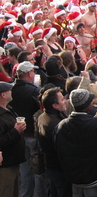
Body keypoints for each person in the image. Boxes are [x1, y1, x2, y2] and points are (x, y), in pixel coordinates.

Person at [9, 61, 45, 197]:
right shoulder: (33, 91)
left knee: (24, 172)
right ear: (30, 73)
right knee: (38, 171)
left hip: (18, 136)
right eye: (33, 72)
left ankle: (25, 194)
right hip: (33, 135)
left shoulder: (11, 89)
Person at [36, 87, 70, 197]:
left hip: (51, 165)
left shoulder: (43, 116)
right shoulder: (55, 124)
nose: (64, 101)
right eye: (61, 100)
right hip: (59, 168)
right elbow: (63, 149)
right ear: (54, 106)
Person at [0, 82, 26, 197]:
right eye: (9, 90)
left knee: (14, 191)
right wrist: (16, 131)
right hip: (5, 164)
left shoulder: (8, 109)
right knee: (6, 192)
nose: (12, 92)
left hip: (14, 160)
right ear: (3, 95)